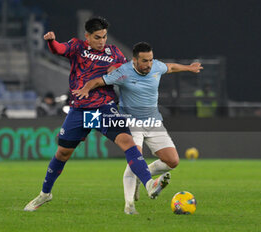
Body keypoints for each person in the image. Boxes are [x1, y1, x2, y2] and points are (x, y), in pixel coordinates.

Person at [24, 17, 170, 212]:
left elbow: (126, 72)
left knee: (126, 141)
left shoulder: (114, 52)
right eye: (97, 37)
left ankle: (149, 184)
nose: (102, 41)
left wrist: (118, 71)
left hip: (104, 107)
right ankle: (45, 193)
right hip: (80, 110)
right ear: (87, 36)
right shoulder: (77, 47)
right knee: (63, 153)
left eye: (104, 36)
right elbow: (58, 50)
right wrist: (51, 41)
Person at [72, 42, 203, 214]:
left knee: (172, 161)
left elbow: (170, 67)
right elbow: (98, 81)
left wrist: (188, 68)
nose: (148, 64)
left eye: (150, 60)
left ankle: (144, 176)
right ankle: (129, 206)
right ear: (134, 60)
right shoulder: (123, 71)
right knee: (135, 158)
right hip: (131, 122)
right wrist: (85, 89)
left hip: (154, 122)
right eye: (144, 61)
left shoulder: (156, 66)